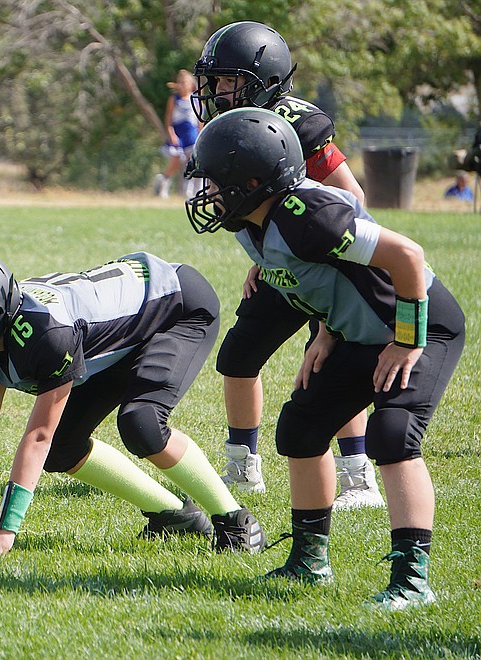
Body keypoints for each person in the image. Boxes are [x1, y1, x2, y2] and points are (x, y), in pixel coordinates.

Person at [186, 107, 464, 610]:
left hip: (419, 324)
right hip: (357, 333)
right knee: (302, 427)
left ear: (253, 181)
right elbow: (318, 279)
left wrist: (406, 339)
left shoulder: (308, 216)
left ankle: (412, 579)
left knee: (393, 434)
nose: (208, 192)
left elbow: (408, 258)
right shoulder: (252, 221)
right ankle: (310, 562)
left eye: (216, 180)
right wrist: (327, 332)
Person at [0, 248, 266, 556]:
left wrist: (5, 530)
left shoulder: (47, 335)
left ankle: (236, 519)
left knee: (142, 424)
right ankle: (175, 515)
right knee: (64, 449)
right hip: (119, 333)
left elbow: (37, 437)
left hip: (177, 306)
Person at [190, 20, 382, 509]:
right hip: (283, 263)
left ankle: (358, 477)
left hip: (324, 265)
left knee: (328, 364)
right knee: (238, 356)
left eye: (228, 81)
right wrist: (267, 252)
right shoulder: (228, 126)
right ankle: (242, 464)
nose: (216, 92)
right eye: (214, 82)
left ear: (263, 80)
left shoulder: (297, 124)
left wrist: (297, 244)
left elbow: (350, 197)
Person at [152, 70, 201, 199]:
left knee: (192, 164)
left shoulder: (196, 100)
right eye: (181, 83)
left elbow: (199, 121)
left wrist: (201, 136)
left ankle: (189, 192)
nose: (183, 85)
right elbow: (168, 120)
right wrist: (171, 134)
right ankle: (162, 186)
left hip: (191, 136)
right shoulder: (174, 99)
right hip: (178, 135)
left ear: (191, 84)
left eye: (185, 83)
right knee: (175, 161)